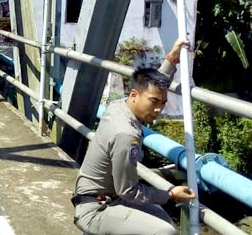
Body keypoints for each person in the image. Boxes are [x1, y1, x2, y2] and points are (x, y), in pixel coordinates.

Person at [72, 40, 195, 235]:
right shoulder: (126, 134)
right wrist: (170, 194)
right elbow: (128, 191)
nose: (158, 109)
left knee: (161, 217)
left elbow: (151, 86)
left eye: (163, 103)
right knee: (165, 231)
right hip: (96, 208)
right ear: (134, 95)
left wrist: (171, 59)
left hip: (106, 196)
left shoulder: (118, 106)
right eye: (154, 102)